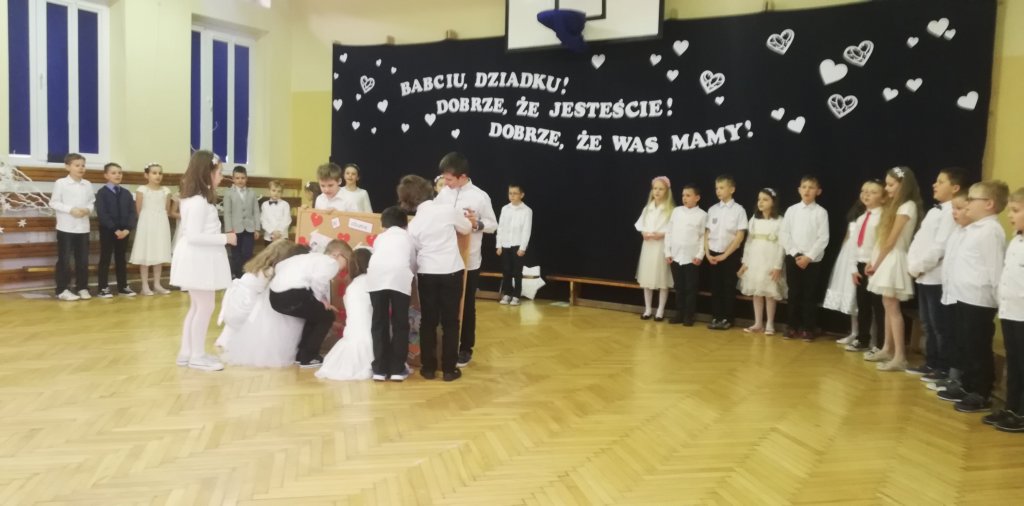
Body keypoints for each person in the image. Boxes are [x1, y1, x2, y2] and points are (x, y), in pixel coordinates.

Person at [169, 150, 236, 371]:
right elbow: (194, 236)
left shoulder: (196, 199)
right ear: (206, 173)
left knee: (198, 307)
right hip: (197, 259)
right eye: (219, 172)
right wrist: (225, 238)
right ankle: (197, 355)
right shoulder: (198, 201)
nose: (222, 177)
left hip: (199, 258)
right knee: (205, 307)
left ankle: (186, 352)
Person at [433, 152, 497, 368]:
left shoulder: (480, 196)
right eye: (444, 178)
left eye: (449, 179)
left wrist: (477, 223)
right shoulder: (444, 194)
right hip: (443, 258)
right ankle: (443, 345)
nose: (446, 183)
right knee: (444, 303)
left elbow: (493, 225)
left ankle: (465, 348)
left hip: (469, 260)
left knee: (467, 304)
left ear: (462, 177)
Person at [865, 166, 924, 371]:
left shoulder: (907, 206)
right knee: (887, 305)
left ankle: (900, 356)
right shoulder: (897, 206)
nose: (887, 188)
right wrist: (874, 259)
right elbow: (883, 240)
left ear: (903, 185)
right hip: (887, 258)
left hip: (894, 259)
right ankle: (887, 348)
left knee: (892, 307)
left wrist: (876, 264)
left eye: (891, 185)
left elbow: (891, 241)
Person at [779, 176, 830, 341]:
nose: (807, 190)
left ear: (818, 191)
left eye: (811, 187)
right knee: (793, 293)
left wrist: (808, 257)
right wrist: (796, 254)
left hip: (812, 261)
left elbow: (823, 238)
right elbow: (784, 234)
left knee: (810, 294)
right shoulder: (791, 210)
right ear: (799, 190)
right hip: (794, 258)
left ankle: (808, 327)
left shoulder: (821, 212)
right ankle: (792, 325)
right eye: (804, 187)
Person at [738, 188, 786, 335]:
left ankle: (770, 323)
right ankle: (758, 323)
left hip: (770, 260)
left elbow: (782, 245)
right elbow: (748, 242)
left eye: (765, 199)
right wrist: (745, 262)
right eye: (759, 199)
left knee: (770, 292)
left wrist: (778, 265)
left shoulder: (780, 221)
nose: (761, 202)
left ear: (773, 202)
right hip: (755, 260)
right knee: (757, 292)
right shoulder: (754, 219)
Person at [49, 153, 94, 301]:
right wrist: (70, 209)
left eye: (83, 165)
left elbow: (91, 202)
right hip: (66, 227)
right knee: (64, 259)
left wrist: (87, 210)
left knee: (83, 259)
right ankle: (62, 289)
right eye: (77, 165)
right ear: (68, 167)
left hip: (83, 228)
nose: (81, 168)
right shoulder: (61, 183)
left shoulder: (87, 184)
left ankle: (82, 287)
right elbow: (54, 202)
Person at [705, 175, 747, 330]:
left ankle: (728, 318)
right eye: (717, 188)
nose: (718, 191)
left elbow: (740, 236)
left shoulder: (739, 210)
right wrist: (707, 253)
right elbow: (707, 233)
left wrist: (725, 255)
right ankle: (716, 317)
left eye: (722, 187)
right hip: (713, 254)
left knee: (728, 287)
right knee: (715, 287)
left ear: (732, 189)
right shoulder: (712, 209)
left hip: (730, 255)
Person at [664, 184, 706, 326]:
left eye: (688, 195)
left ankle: (689, 315)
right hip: (676, 256)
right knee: (679, 287)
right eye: (683, 195)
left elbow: (703, 237)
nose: (684, 198)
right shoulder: (676, 211)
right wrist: (667, 251)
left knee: (691, 288)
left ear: (697, 198)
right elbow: (669, 232)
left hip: (691, 258)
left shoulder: (702, 215)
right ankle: (679, 313)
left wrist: (700, 255)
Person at [95, 162, 138, 298]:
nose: (117, 175)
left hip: (124, 232)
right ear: (106, 175)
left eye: (119, 173)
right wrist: (114, 229)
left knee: (121, 259)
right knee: (105, 258)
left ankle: (123, 286)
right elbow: (102, 213)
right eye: (113, 173)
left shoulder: (126, 193)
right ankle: (103, 287)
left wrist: (128, 229)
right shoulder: (102, 193)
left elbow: (132, 213)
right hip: (108, 231)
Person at [635, 176, 675, 321]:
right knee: (647, 277)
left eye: (661, 189)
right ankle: (647, 309)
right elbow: (641, 225)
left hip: (661, 246)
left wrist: (662, 234)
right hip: (648, 246)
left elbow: (673, 229)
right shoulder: (647, 208)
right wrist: (643, 233)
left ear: (667, 191)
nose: (657, 192)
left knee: (662, 278)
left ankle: (660, 310)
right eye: (655, 188)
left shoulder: (671, 210)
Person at [130, 163, 173, 295]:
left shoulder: (166, 191)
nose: (157, 176)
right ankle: (144, 285)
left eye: (160, 173)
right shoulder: (142, 190)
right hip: (146, 224)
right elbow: (139, 210)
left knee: (158, 253)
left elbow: (167, 210)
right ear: (146, 175)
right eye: (154, 173)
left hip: (161, 223)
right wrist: (148, 218)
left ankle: (157, 284)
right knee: (146, 253)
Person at [496, 184, 533, 306]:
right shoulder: (505, 209)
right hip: (505, 244)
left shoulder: (527, 211)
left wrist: (523, 247)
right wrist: (498, 245)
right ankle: (507, 293)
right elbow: (500, 228)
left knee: (517, 271)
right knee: (506, 270)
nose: (512, 196)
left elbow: (526, 230)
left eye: (515, 193)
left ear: (522, 195)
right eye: (510, 193)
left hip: (517, 245)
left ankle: (516, 295)